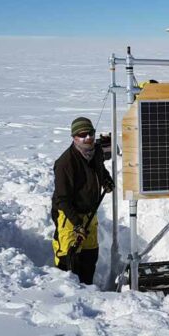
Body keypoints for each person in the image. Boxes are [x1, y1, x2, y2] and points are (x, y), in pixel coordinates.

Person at [51, 116, 114, 285]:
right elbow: (62, 200)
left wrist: (106, 180)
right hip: (69, 216)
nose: (88, 138)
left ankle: (89, 289)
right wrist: (77, 224)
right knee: (69, 259)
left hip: (90, 212)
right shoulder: (65, 164)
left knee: (89, 255)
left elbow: (100, 169)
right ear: (74, 137)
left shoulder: (96, 152)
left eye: (90, 133)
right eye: (82, 135)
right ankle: (67, 292)